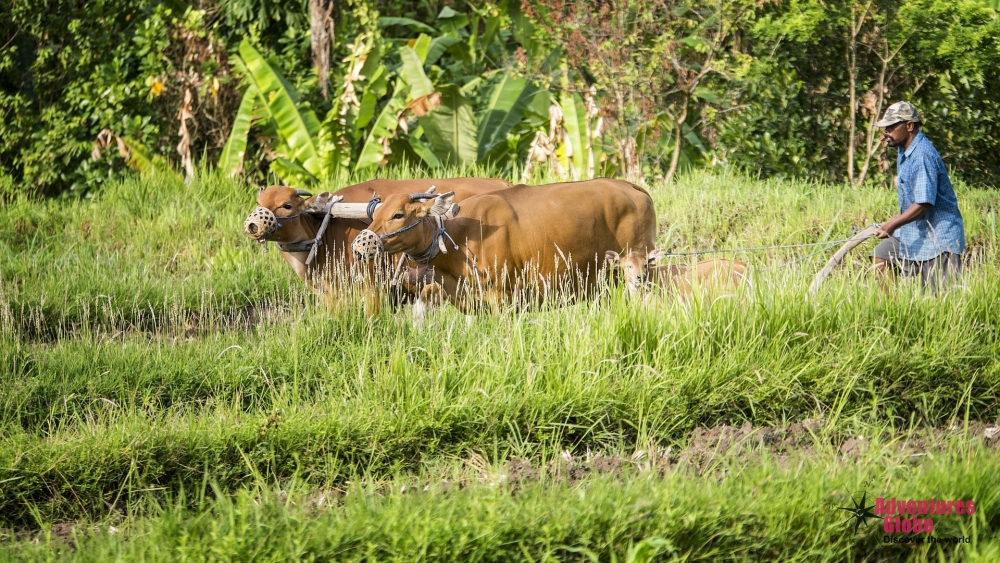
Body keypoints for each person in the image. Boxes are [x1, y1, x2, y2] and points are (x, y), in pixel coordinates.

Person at [872, 101, 966, 293]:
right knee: (881, 256)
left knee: (937, 303)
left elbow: (924, 203)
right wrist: (896, 225)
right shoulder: (904, 150)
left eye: (891, 127)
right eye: (885, 128)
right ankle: (894, 310)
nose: (886, 132)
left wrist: (893, 223)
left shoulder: (923, 155)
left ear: (909, 126)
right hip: (913, 232)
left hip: (938, 240)